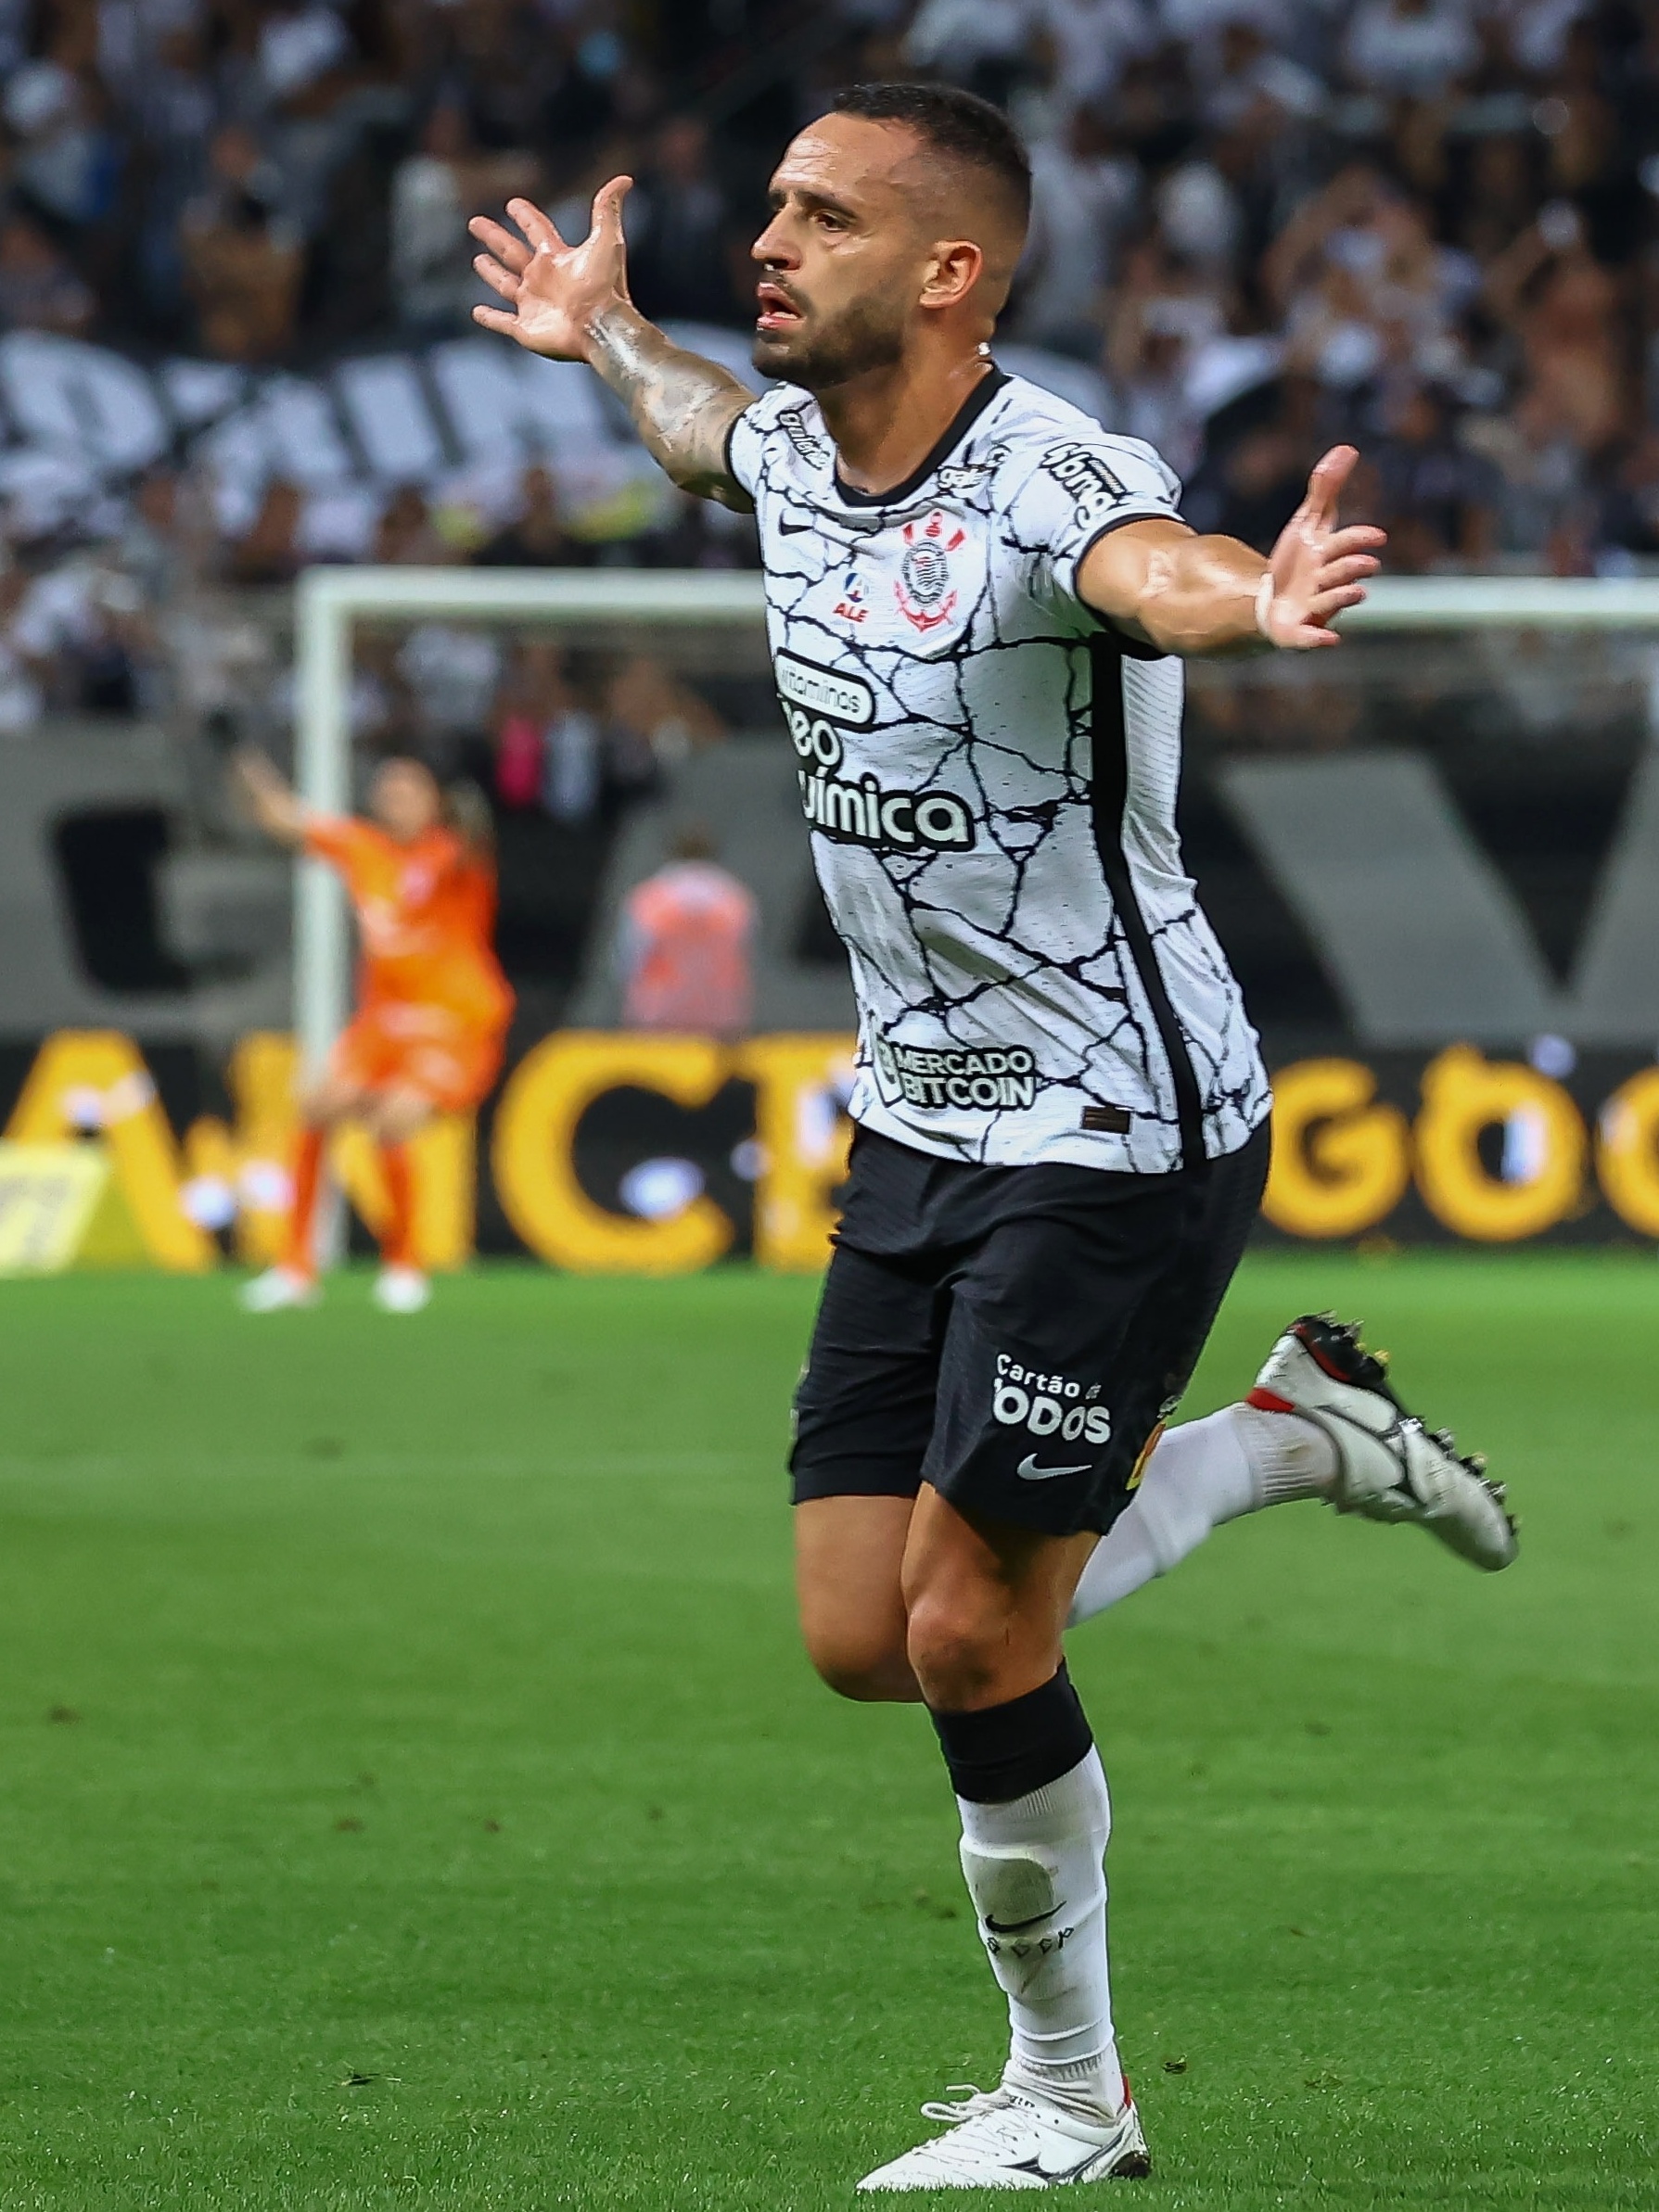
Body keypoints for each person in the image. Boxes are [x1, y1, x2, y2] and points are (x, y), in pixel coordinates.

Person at [469, 83, 1516, 2192]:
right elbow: (691, 425)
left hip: (1115, 1125)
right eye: (766, 203)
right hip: (916, 1118)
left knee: (971, 1628)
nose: (762, 239)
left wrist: (1262, 592)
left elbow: (1158, 568)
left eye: (819, 217)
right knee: (865, 1620)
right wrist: (601, 326)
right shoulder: (780, 447)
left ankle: (1069, 2095)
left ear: (949, 272)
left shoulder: (1049, 473)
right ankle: (1295, 1433)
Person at [234, 749, 514, 1315]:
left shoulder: (453, 854)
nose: (397, 800)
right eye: (388, 791)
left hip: (452, 1022)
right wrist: (253, 772)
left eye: (409, 791)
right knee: (317, 1106)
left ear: (434, 802)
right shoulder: (365, 848)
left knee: (394, 1118)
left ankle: (404, 1265)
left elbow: (477, 841)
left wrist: (467, 818)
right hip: (384, 1021)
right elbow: (286, 820)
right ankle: (295, 1268)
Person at [617, 827, 757, 1036]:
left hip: (660, 1009)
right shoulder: (735, 899)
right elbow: (746, 952)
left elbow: (630, 958)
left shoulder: (650, 898)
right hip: (719, 1008)